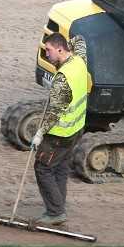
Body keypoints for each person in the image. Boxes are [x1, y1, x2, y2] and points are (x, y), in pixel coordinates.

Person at [30, 32, 89, 225]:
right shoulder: (79, 61)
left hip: (59, 135)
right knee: (61, 169)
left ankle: (55, 212)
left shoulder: (61, 80)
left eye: (48, 50)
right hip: (76, 129)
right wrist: (67, 42)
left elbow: (54, 114)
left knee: (43, 168)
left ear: (60, 49)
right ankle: (58, 206)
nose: (46, 54)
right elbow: (80, 40)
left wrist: (39, 134)